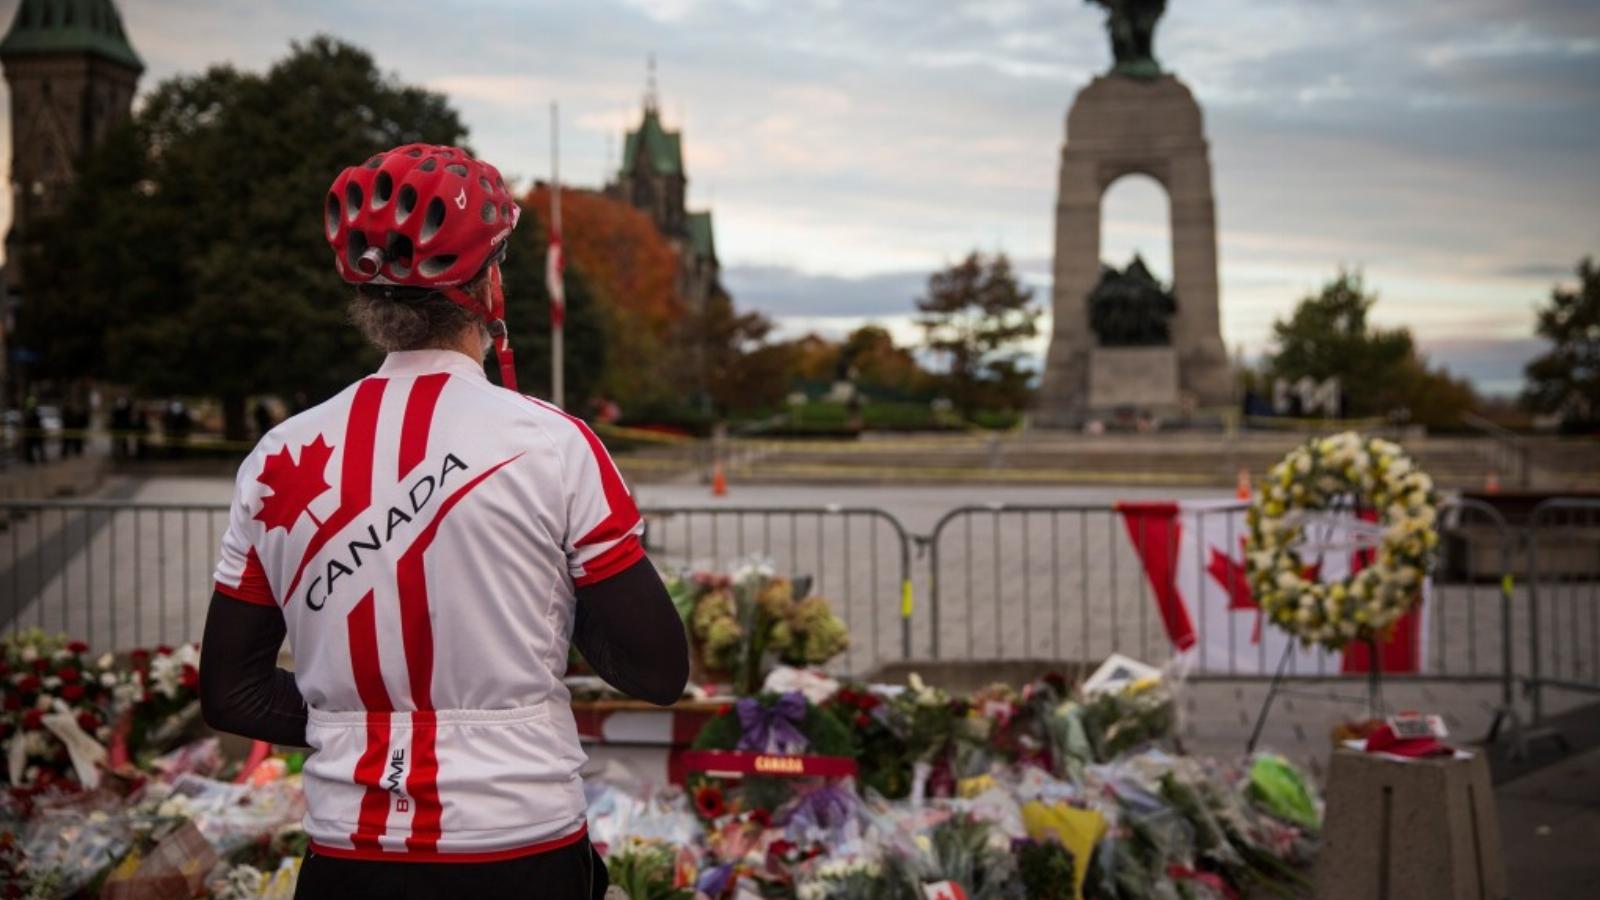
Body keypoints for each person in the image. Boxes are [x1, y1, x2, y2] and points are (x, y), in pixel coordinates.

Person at [199, 144, 688, 900]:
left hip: (349, 854)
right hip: (522, 846)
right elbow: (658, 670)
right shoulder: (555, 443)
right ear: (488, 286)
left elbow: (231, 693)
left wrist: (360, 725)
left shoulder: (278, 454)